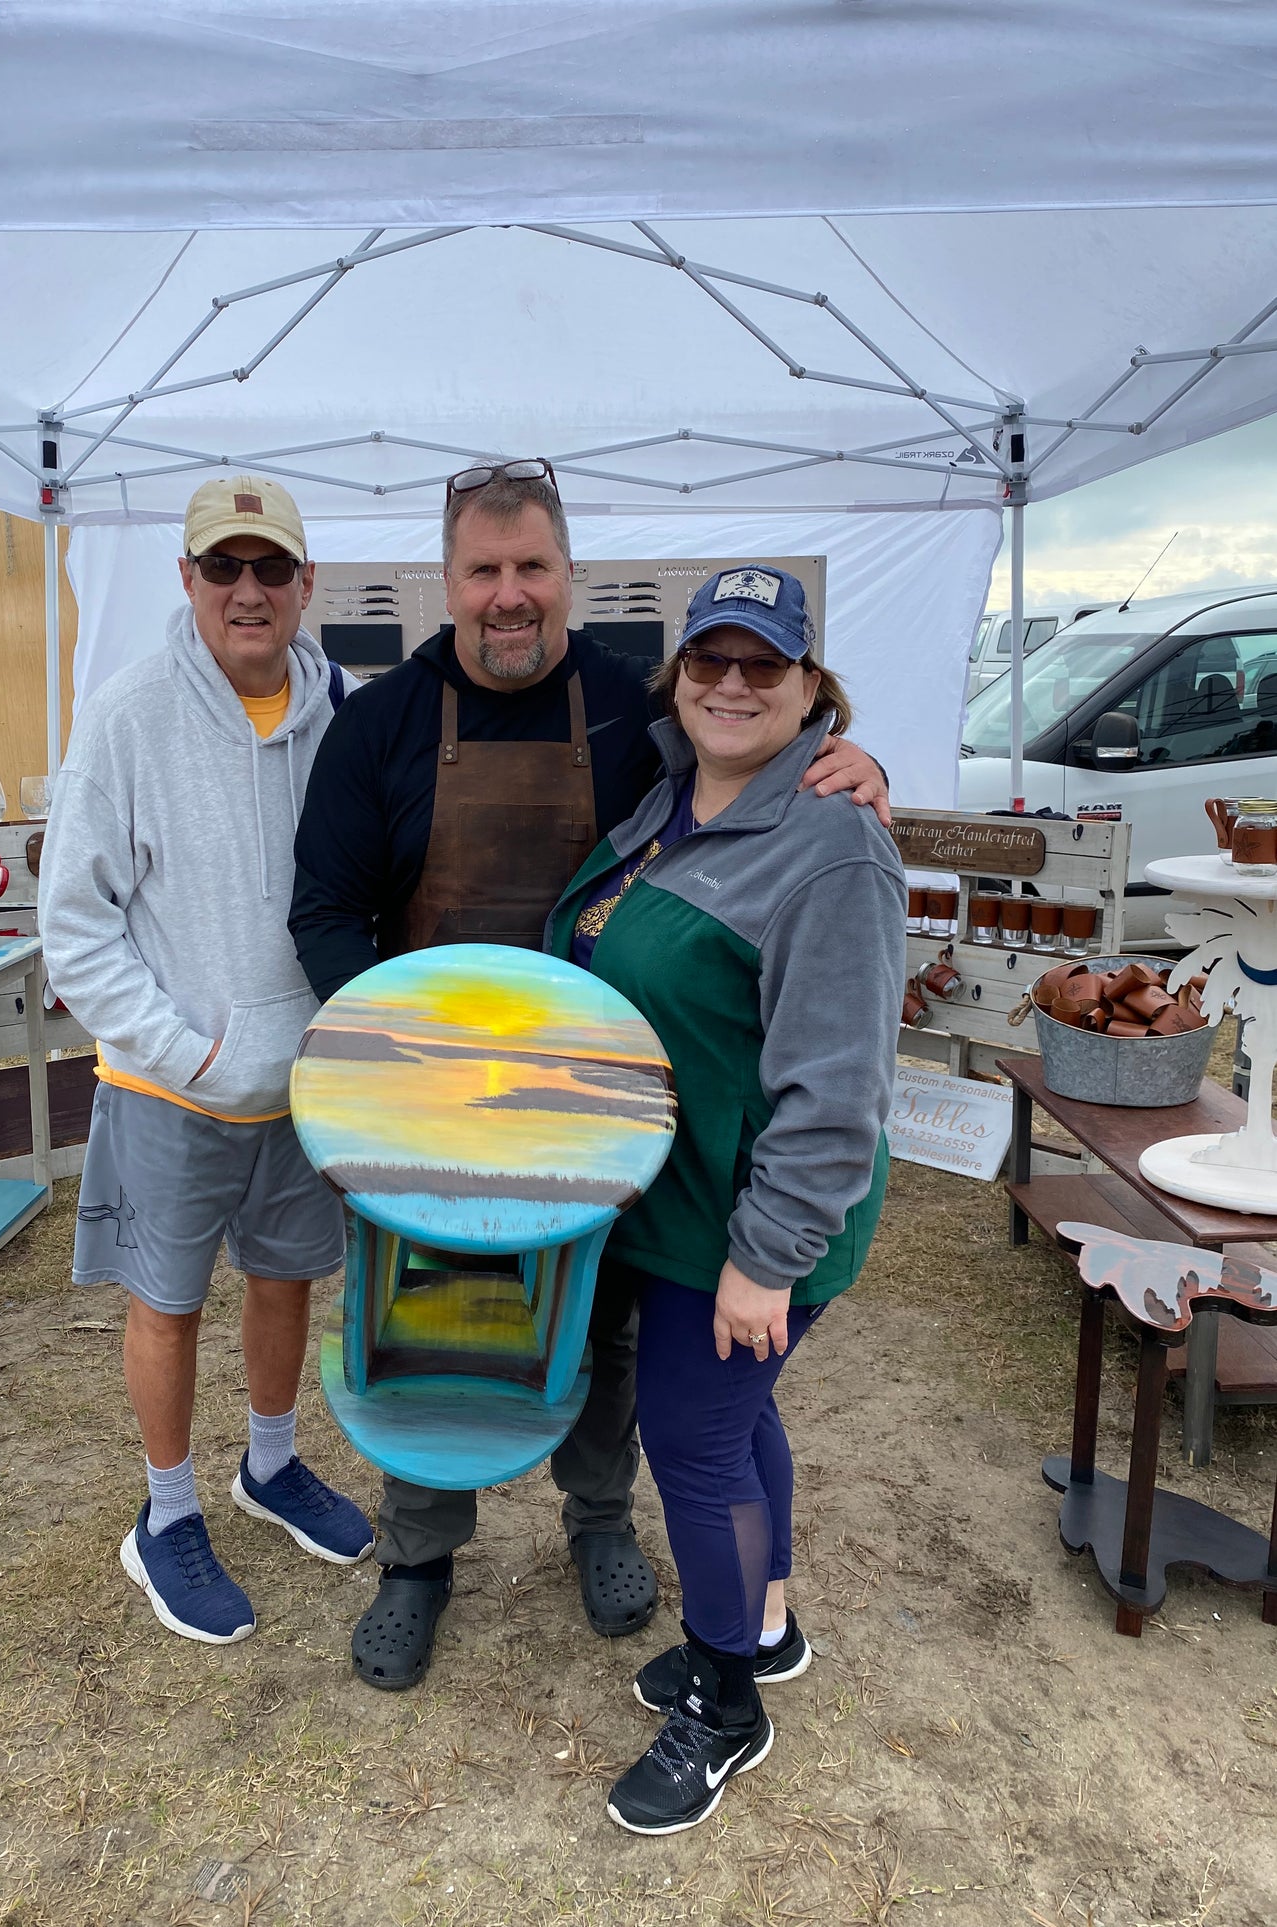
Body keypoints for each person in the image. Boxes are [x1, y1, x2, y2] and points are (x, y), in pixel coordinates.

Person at [288, 461, 892, 1690]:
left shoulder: (634, 713)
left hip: (598, 1110)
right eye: (482, 571)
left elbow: (754, 784)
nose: (508, 596)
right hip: (426, 1103)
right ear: (444, 582)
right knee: (423, 1321)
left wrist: (850, 758)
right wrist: (396, 1059)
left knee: (610, 1325)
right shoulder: (379, 725)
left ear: (565, 576)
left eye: (531, 569)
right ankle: (418, 1558)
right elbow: (324, 915)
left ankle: (601, 1519)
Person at [545, 563, 905, 1834]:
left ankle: (723, 1700)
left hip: (746, 1223)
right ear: (678, 674)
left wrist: (768, 1256)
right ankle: (764, 1621)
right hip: (676, 1201)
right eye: (712, 660)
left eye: (766, 664)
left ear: (811, 688)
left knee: (692, 1439)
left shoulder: (831, 847)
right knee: (734, 1421)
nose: (734, 683)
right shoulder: (671, 802)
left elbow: (836, 1085)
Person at [39, 475, 373, 1648]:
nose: (247, 591)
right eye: (221, 568)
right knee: (166, 1304)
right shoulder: (127, 715)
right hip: (168, 1082)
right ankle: (165, 1513)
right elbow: (75, 922)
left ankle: (270, 1467)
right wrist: (184, 1050)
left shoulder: (342, 704)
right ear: (185, 579)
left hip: (299, 1079)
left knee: (286, 1280)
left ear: (303, 584)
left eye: (269, 569)